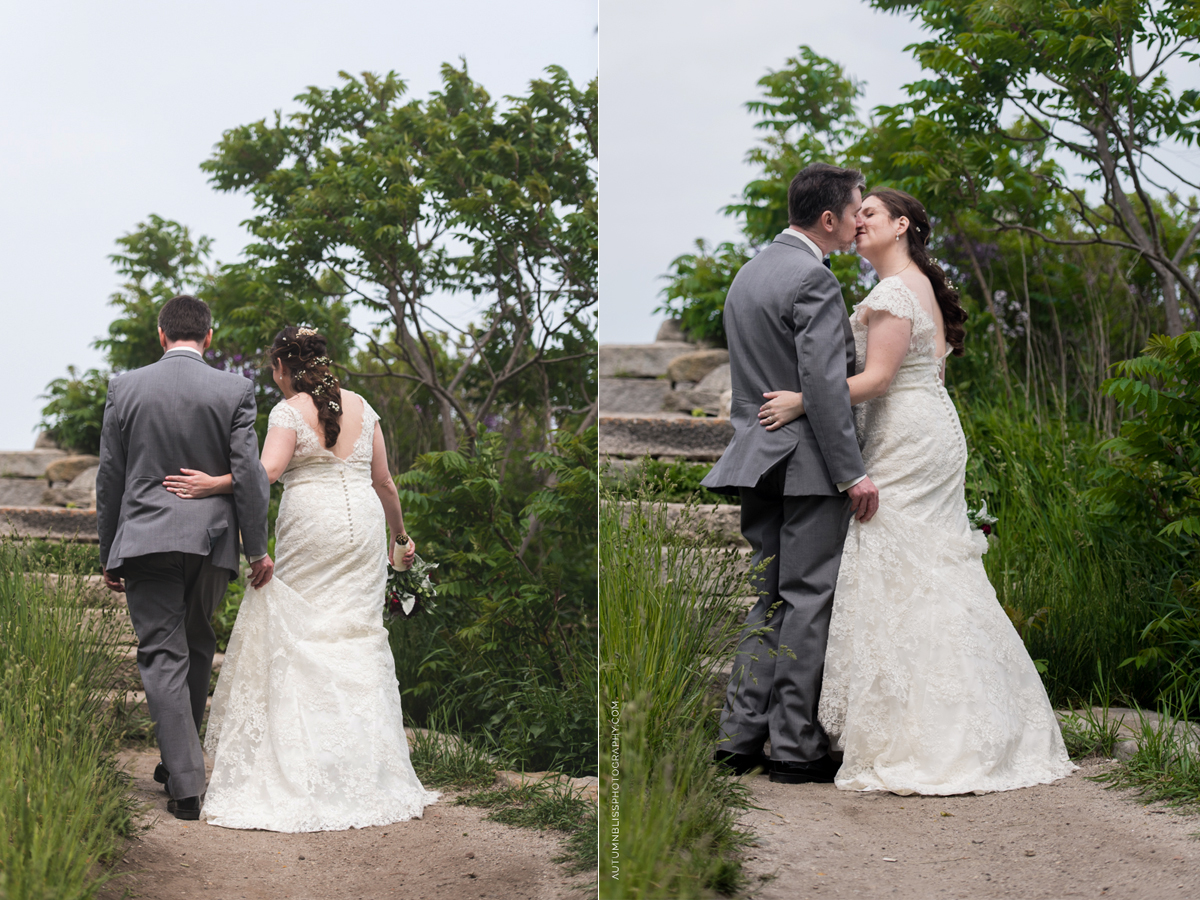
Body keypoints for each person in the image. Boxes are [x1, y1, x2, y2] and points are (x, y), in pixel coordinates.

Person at [757, 187, 1075, 794]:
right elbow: (924, 377)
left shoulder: (895, 291)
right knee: (924, 567)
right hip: (928, 428)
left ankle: (926, 729)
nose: (857, 223)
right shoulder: (917, 285)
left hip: (907, 436)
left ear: (900, 225)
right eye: (857, 213)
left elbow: (877, 380)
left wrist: (804, 401)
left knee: (894, 559)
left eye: (869, 214)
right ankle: (958, 716)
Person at [163, 325, 439, 831]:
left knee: (302, 634)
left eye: (274, 369)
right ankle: (366, 767)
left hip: (312, 523)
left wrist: (211, 485)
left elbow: (264, 473)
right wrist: (401, 539)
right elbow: (384, 482)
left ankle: (307, 761)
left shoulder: (287, 412)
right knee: (357, 634)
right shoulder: (363, 406)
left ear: (283, 368)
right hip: (363, 526)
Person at [701, 163, 881, 785]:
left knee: (769, 597)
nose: (862, 218)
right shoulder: (813, 280)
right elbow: (825, 389)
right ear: (828, 219)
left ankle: (738, 735)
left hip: (755, 457)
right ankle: (793, 744)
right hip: (805, 466)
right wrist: (852, 474)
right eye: (858, 209)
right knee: (807, 598)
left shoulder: (748, 275)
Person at [96, 295, 273, 821]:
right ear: (209, 337)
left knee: (161, 654)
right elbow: (250, 475)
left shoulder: (124, 388)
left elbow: (110, 478)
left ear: (161, 335)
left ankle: (186, 780)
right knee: (197, 646)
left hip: (146, 540)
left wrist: (110, 552)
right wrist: (257, 547)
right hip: (213, 541)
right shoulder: (235, 390)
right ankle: (181, 762)